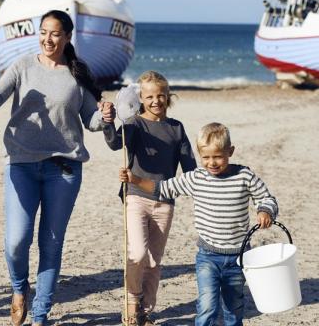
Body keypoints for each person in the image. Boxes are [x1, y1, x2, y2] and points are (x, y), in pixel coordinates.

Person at [0, 9, 116, 326]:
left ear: (67, 37)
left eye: (55, 33)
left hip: (64, 169)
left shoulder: (76, 74)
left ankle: (40, 314)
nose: (48, 39)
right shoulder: (23, 66)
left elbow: (91, 121)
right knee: (17, 240)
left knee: (51, 243)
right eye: (43, 32)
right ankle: (18, 288)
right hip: (21, 164)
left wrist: (106, 115)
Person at [119, 122, 278, 326]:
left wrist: (265, 210)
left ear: (230, 151)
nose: (212, 162)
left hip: (238, 258)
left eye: (218, 156)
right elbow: (163, 188)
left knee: (234, 307)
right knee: (207, 306)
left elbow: (267, 198)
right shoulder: (196, 178)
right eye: (206, 157)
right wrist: (135, 179)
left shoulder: (244, 176)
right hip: (208, 257)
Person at [105, 71, 197, 326]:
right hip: (135, 197)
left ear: (169, 97)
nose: (156, 101)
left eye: (161, 95)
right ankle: (132, 302)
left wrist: (202, 186)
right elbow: (115, 142)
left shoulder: (176, 128)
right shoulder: (135, 124)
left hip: (165, 201)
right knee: (137, 253)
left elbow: (190, 169)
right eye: (149, 97)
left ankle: (145, 312)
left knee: (154, 261)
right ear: (141, 99)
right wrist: (107, 122)